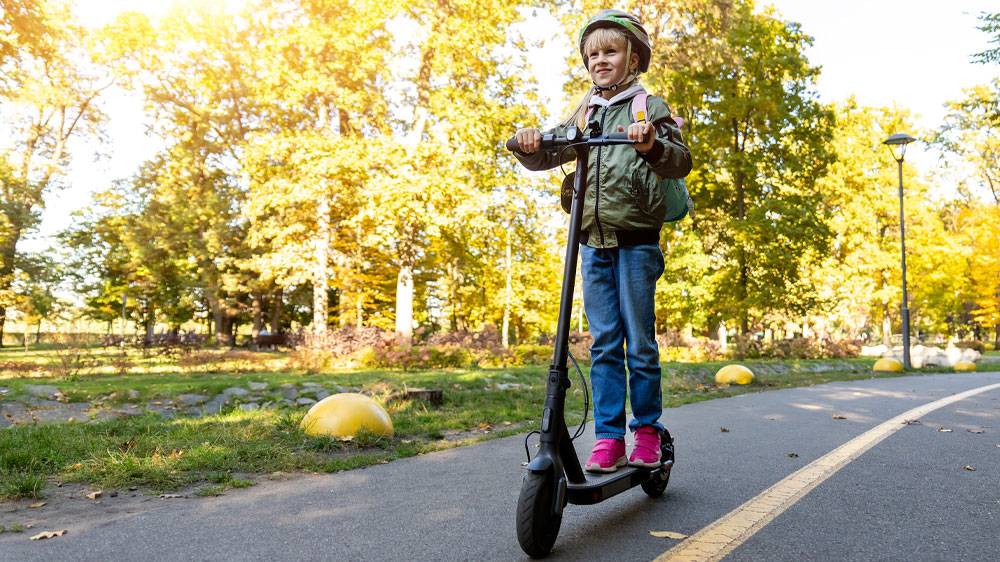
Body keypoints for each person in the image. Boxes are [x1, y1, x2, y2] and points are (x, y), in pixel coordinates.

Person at [511, 10, 692, 473]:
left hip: (636, 242)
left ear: (634, 59)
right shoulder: (585, 110)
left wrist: (650, 143)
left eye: (610, 51)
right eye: (593, 54)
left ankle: (646, 430)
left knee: (640, 343)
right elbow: (557, 149)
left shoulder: (648, 107)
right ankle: (609, 438)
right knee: (605, 343)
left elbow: (678, 159)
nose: (600, 60)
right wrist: (532, 145)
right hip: (590, 244)